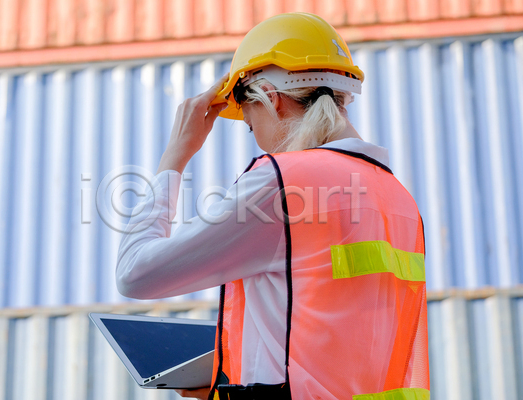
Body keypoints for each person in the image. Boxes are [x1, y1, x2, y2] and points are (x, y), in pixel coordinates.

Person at [116, 12, 429, 400]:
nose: (257, 139)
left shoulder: (283, 182)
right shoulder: (397, 197)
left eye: (251, 124)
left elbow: (135, 274)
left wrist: (175, 155)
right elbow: (333, 339)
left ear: (271, 97)